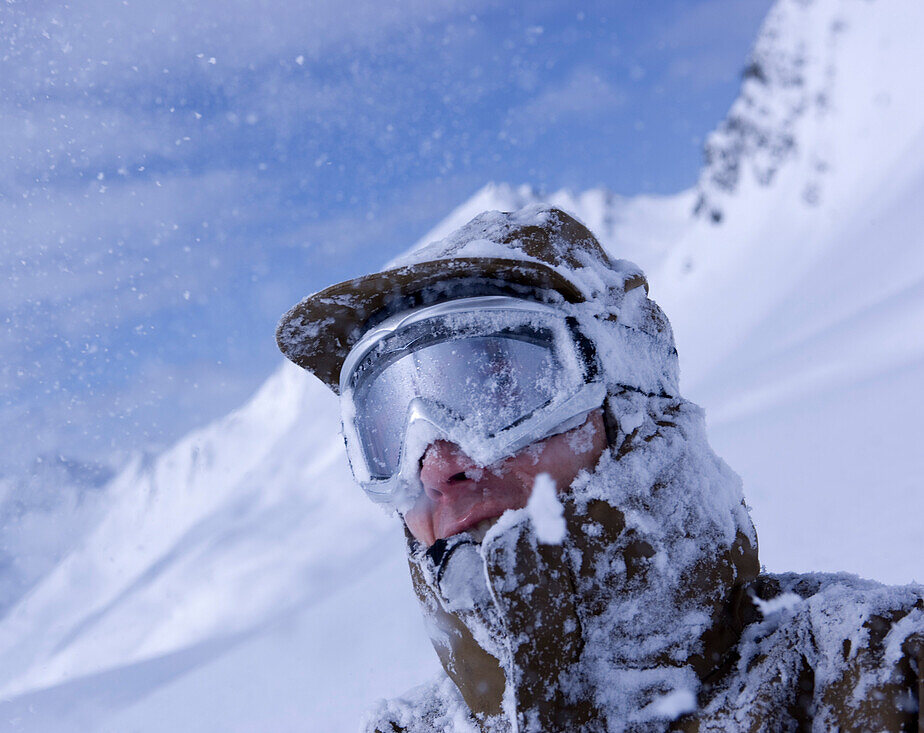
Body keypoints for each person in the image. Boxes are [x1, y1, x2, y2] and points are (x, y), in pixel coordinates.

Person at [276, 206, 924, 732]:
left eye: (497, 388)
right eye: (390, 426)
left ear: (629, 408)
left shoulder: (879, 675)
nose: (439, 462)